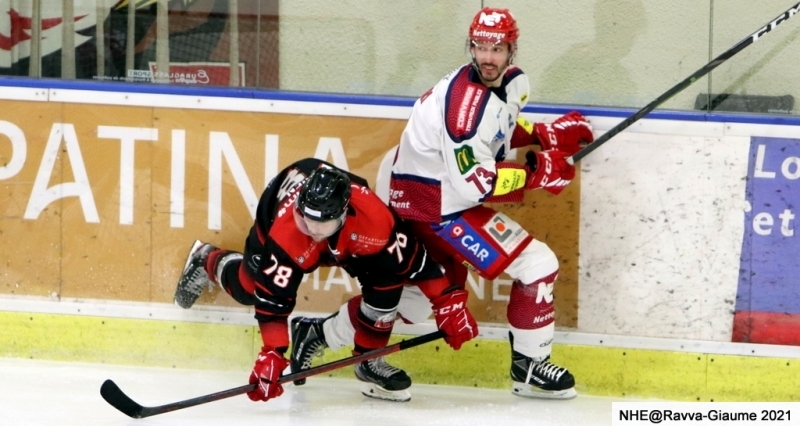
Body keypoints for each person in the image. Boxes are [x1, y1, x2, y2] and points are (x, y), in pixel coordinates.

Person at [388, 7, 595, 400]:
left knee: (412, 301)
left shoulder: (513, 83)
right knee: (538, 263)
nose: (487, 57)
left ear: (512, 51)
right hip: (435, 205)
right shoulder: (464, 111)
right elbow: (475, 183)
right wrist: (537, 172)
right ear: (470, 47)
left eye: (496, 48)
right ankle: (530, 368)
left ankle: (323, 331)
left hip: (432, 192)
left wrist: (543, 134)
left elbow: (499, 125)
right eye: (480, 47)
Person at [173, 158, 478, 403]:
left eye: (323, 223)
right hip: (277, 205)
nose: (313, 230)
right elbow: (272, 303)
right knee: (249, 288)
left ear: (344, 213)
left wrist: (447, 301)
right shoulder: (288, 233)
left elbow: (416, 263)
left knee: (387, 281)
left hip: (349, 239)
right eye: (306, 219)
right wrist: (273, 352)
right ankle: (208, 259)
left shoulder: (375, 220)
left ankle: (368, 359)